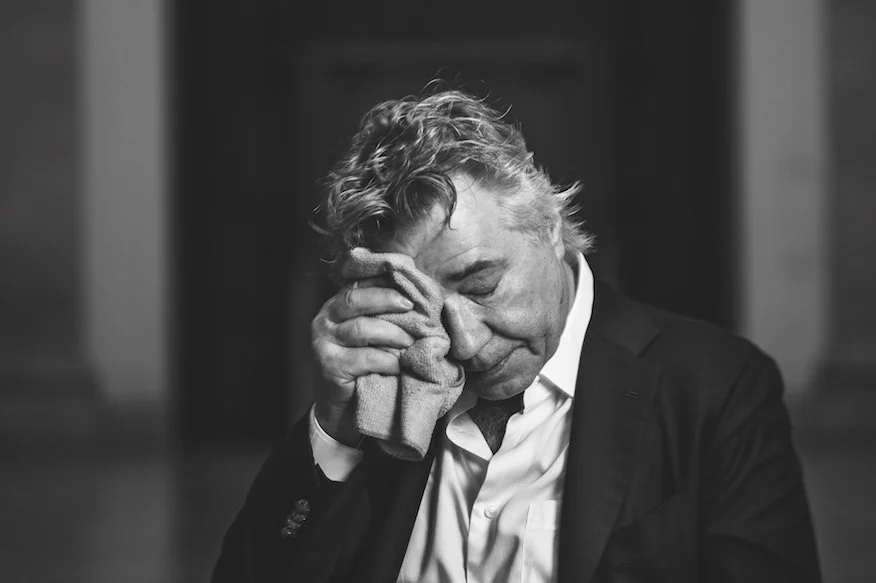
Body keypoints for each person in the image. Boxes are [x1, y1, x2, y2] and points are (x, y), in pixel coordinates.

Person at [212, 87, 822, 582]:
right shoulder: (381, 389)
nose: (465, 343)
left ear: (549, 227)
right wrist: (335, 431)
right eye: (426, 308)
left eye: (481, 285)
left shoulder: (717, 388)